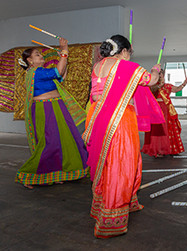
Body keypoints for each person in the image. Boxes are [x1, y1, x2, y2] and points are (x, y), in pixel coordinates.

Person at [83, 35, 164, 238]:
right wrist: (156, 70)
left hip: (97, 118)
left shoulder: (97, 66)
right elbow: (151, 81)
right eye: (130, 52)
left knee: (105, 162)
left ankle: (106, 205)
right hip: (119, 121)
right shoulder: (126, 67)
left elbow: (96, 95)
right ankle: (111, 218)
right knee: (121, 165)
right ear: (125, 51)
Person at [15, 38, 88, 189]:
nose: (40, 55)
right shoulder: (35, 72)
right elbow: (58, 71)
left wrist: (63, 56)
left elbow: (60, 76)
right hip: (46, 109)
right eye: (36, 54)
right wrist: (64, 51)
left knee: (62, 141)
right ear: (29, 60)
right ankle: (27, 175)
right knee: (50, 143)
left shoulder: (40, 73)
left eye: (40, 53)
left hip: (55, 107)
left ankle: (55, 172)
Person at [141, 69, 187, 157]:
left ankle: (170, 149)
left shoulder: (167, 86)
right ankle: (159, 149)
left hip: (166, 109)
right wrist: (159, 86)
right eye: (158, 74)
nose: (160, 75)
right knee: (158, 129)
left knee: (169, 128)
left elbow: (177, 89)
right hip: (156, 109)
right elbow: (152, 91)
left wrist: (184, 84)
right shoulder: (152, 86)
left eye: (161, 74)